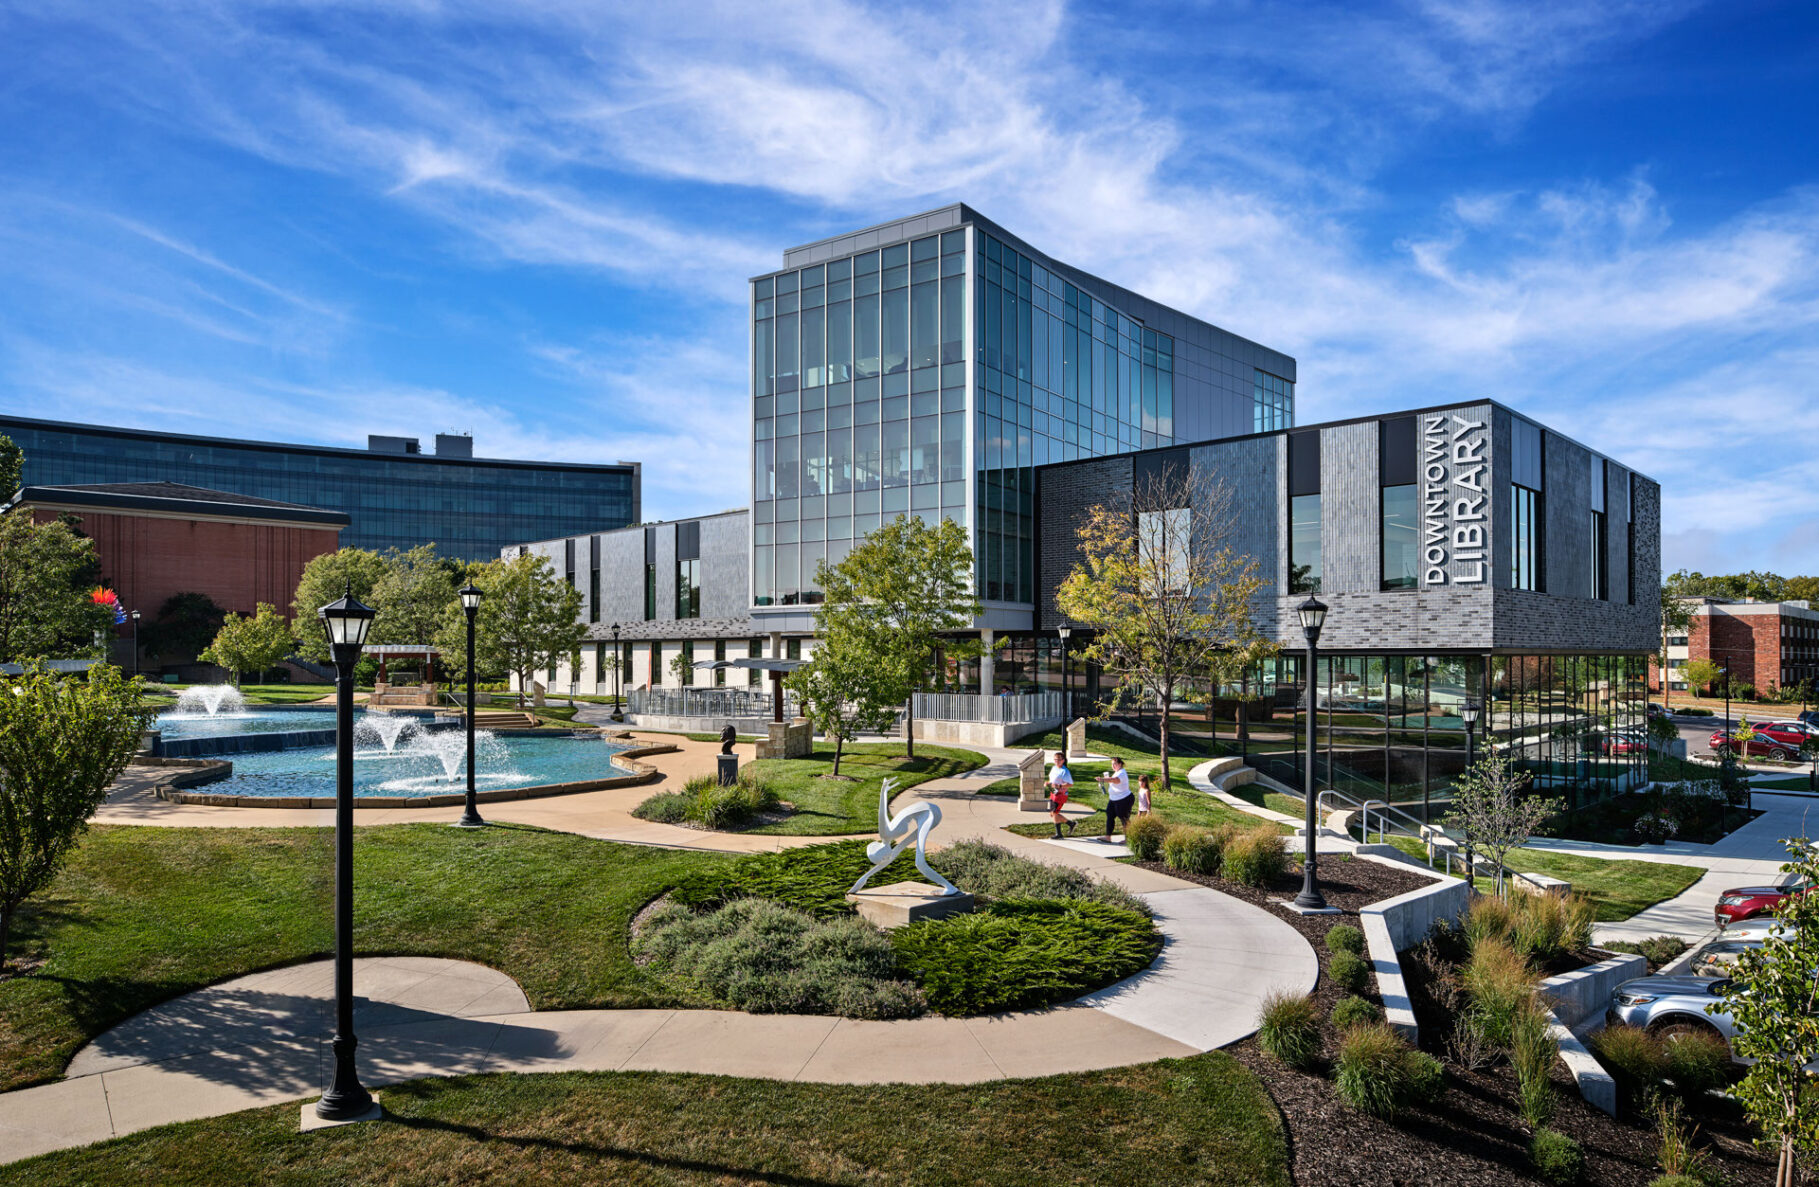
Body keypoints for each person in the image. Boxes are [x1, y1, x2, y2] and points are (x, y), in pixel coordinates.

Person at [1097, 756, 1135, 841]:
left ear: (1120, 764)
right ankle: (1108, 837)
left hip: (1124, 799)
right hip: (1113, 799)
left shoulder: (1122, 773)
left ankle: (1129, 838)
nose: (1113, 766)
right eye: (1112, 764)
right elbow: (1113, 780)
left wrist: (1103, 779)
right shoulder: (1117, 772)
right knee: (1109, 815)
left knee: (1124, 818)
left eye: (1115, 764)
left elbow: (1115, 780)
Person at [1046, 750, 1075, 839]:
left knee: (1054, 813)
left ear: (1063, 760)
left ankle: (1059, 834)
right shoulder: (1054, 768)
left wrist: (1059, 785)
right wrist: (1048, 783)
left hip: (1061, 794)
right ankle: (1071, 824)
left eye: (1059, 759)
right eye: (1055, 759)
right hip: (1053, 792)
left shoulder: (1065, 771)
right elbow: (1052, 779)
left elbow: (1070, 784)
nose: (1056, 761)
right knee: (1053, 813)